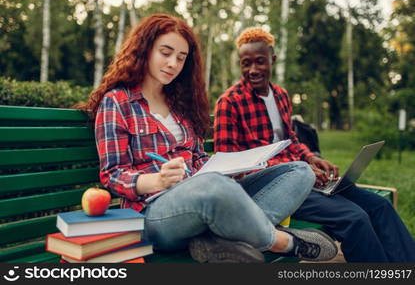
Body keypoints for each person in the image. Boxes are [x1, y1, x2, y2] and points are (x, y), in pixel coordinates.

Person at [78, 14, 338, 263]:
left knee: (299, 171)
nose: (173, 64)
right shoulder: (118, 102)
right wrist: (156, 179)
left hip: (206, 196)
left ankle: (220, 239)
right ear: (144, 49)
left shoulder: (179, 104)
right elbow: (112, 175)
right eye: (166, 53)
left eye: (181, 58)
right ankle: (281, 242)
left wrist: (232, 166)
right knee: (212, 186)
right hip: (154, 214)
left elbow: (199, 159)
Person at [214, 26, 415, 262]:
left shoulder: (280, 95)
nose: (253, 69)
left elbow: (291, 141)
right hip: (276, 190)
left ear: (273, 60)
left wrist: (310, 158)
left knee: (379, 205)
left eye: (260, 61)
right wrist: (297, 171)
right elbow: (230, 168)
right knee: (355, 218)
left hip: (305, 179)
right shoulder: (230, 102)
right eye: (245, 63)